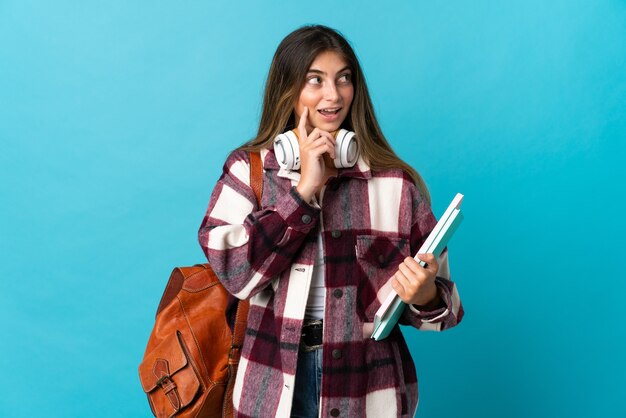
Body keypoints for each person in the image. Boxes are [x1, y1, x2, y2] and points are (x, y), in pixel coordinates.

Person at [198, 24, 463, 418]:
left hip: (368, 388)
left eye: (343, 79)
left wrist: (424, 295)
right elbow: (235, 274)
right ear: (288, 90)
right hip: (272, 387)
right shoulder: (249, 171)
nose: (333, 94)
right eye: (315, 80)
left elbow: (447, 309)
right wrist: (303, 192)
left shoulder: (395, 184)